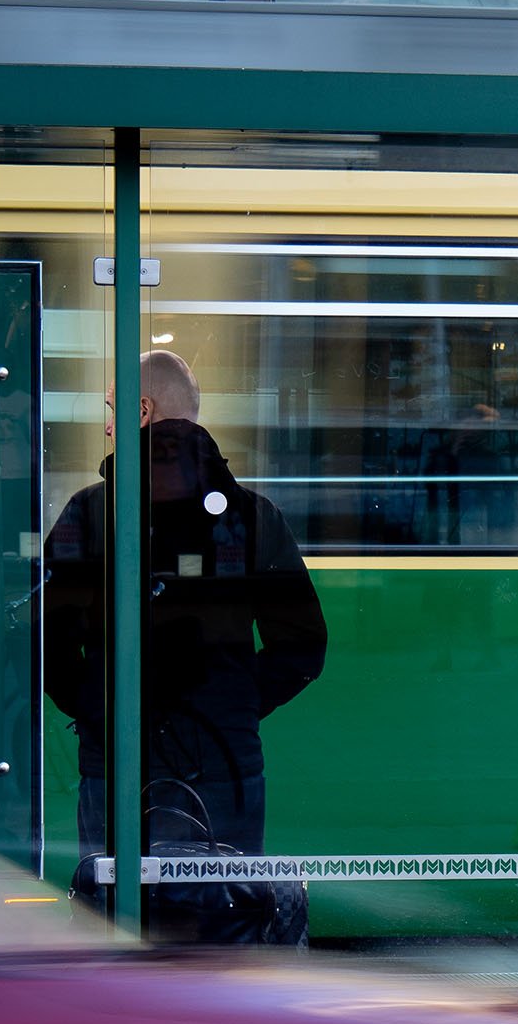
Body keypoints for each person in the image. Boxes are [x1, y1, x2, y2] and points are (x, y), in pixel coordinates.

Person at [44, 350, 327, 895]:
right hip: (224, 761)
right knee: (225, 915)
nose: (108, 426)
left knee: (116, 913)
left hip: (117, 762)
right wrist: (234, 703)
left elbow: (48, 639)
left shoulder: (91, 512)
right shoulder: (252, 516)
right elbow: (303, 645)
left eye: (113, 410)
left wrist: (99, 707)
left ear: (143, 409)